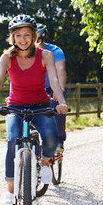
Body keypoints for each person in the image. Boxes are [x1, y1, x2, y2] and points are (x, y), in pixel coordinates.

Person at [0, 14, 68, 205]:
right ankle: (10, 190)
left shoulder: (46, 55)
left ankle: (46, 162)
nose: (23, 39)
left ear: (34, 36)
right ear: (13, 37)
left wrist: (60, 102)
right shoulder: (7, 57)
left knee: (51, 136)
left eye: (27, 35)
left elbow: (54, 81)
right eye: (18, 35)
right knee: (13, 141)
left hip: (40, 104)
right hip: (15, 106)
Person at [36, 23, 67, 152]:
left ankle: (59, 140)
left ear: (40, 39)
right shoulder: (25, 53)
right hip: (35, 89)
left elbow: (61, 70)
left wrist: (59, 89)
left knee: (57, 104)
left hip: (52, 87)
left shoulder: (55, 51)